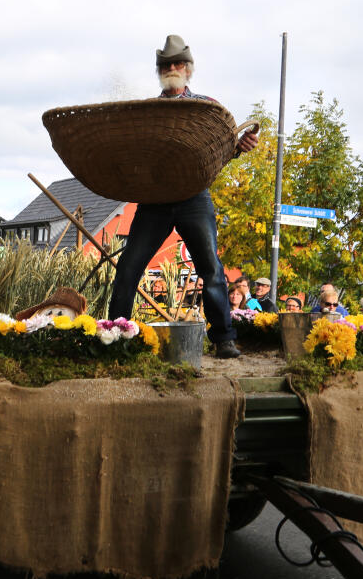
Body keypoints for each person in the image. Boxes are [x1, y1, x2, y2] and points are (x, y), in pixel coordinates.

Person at [107, 35, 258, 359]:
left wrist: (239, 148)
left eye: (178, 63)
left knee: (212, 269)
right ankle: (116, 337)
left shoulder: (207, 109)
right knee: (129, 267)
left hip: (193, 198)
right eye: (166, 65)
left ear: (188, 69)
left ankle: (223, 339)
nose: (172, 68)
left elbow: (217, 152)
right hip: (155, 201)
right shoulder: (148, 112)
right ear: (160, 71)